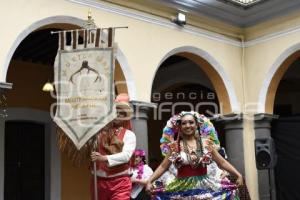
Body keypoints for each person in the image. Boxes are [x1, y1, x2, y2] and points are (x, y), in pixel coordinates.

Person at [146, 111, 243, 200]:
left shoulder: (207, 143)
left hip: (206, 186)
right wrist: (150, 181)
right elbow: (163, 166)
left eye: (191, 122)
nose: (188, 126)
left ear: (197, 125)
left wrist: (238, 175)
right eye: (184, 123)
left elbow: (222, 162)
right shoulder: (174, 146)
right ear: (179, 126)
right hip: (181, 188)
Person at [90, 93, 136, 200]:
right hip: (98, 182)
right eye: (115, 112)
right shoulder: (98, 134)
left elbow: (126, 156)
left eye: (121, 113)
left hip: (120, 182)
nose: (118, 115)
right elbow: (88, 149)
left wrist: (103, 158)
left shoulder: (129, 134)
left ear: (125, 116)